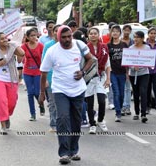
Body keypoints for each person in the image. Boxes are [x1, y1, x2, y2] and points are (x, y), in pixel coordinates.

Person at [39, 25, 93, 165]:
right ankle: (64, 153)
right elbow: (44, 73)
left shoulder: (79, 45)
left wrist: (83, 72)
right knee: (62, 118)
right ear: (58, 38)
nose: (67, 39)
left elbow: (90, 59)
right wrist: (42, 93)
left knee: (76, 121)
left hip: (78, 90)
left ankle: (73, 150)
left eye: (69, 36)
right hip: (60, 90)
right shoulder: (52, 51)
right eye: (64, 37)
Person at [0, 32, 25, 134]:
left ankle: (7, 116)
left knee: (12, 103)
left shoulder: (12, 49)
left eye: (6, 38)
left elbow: (22, 54)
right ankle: (3, 124)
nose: (5, 40)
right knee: (2, 102)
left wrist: (14, 44)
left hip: (12, 79)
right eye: (2, 39)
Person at [86, 27, 111, 134]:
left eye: (95, 33)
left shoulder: (104, 47)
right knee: (89, 102)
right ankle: (92, 123)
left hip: (101, 77)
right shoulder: (85, 48)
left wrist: (108, 79)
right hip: (89, 78)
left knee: (101, 100)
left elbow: (107, 65)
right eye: (91, 33)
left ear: (98, 34)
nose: (93, 35)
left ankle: (100, 120)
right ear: (88, 35)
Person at [21, 28, 44, 121]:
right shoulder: (24, 46)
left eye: (35, 35)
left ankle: (41, 104)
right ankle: (32, 114)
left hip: (38, 71)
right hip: (27, 71)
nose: (34, 37)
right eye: (32, 35)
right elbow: (19, 59)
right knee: (30, 93)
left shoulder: (41, 46)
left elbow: (44, 59)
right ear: (27, 37)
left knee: (36, 92)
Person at [41, 24, 61, 132]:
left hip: (64, 79)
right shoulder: (48, 45)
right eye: (56, 31)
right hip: (51, 78)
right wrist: (45, 81)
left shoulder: (68, 45)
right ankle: (54, 124)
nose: (58, 33)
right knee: (53, 103)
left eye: (60, 30)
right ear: (53, 33)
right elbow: (44, 63)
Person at [107, 25, 128, 122]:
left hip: (122, 72)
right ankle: (118, 113)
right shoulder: (108, 45)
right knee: (116, 92)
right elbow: (106, 60)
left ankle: (119, 107)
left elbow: (128, 59)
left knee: (122, 94)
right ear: (110, 33)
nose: (115, 33)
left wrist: (128, 73)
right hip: (112, 72)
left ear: (120, 33)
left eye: (117, 31)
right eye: (113, 31)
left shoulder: (124, 45)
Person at [129, 31, 150, 123]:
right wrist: (133, 67)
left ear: (142, 38)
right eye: (134, 37)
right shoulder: (130, 48)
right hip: (133, 74)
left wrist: (144, 65)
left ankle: (143, 114)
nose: (135, 39)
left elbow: (149, 60)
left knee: (143, 91)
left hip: (144, 73)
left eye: (137, 37)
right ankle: (137, 112)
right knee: (136, 93)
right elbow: (127, 61)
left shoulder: (147, 48)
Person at [102, 22, 116, 110]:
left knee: (114, 85)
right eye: (111, 29)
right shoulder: (103, 38)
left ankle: (114, 101)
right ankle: (110, 101)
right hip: (106, 65)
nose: (113, 32)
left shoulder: (119, 40)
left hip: (116, 65)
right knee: (108, 83)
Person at [121, 25, 134, 115]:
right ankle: (121, 106)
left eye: (128, 30)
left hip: (131, 67)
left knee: (128, 88)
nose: (126, 32)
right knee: (121, 88)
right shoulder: (119, 41)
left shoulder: (133, 42)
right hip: (120, 68)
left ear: (130, 31)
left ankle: (127, 107)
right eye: (125, 30)